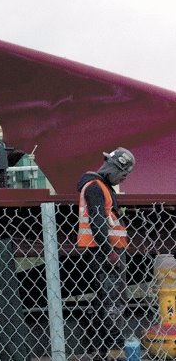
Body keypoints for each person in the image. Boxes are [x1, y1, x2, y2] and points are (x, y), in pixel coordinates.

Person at [77, 147, 136, 360]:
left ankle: (104, 349)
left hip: (105, 252)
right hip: (104, 253)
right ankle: (114, 349)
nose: (123, 178)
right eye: (123, 174)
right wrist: (110, 252)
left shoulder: (100, 187)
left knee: (107, 301)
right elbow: (98, 221)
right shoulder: (95, 188)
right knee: (114, 302)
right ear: (114, 167)